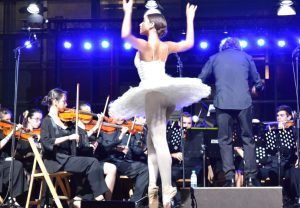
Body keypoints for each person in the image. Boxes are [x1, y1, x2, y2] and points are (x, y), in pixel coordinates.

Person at [109, 1, 210, 207]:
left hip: (153, 93)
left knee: (158, 140)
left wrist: (127, 11)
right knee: (151, 143)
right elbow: (188, 43)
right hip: (166, 94)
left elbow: (125, 36)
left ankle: (166, 189)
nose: (140, 24)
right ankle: (152, 189)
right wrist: (190, 20)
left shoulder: (146, 45)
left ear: (152, 25)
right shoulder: (166, 46)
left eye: (143, 21)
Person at [198, 37, 264, 187]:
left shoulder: (214, 58)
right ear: (238, 46)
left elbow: (201, 79)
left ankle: (229, 178)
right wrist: (257, 89)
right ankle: (251, 178)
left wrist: (206, 92)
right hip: (243, 103)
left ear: (223, 47)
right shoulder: (247, 57)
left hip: (223, 102)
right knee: (248, 139)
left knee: (225, 140)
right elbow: (258, 81)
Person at [40, 88, 108, 204]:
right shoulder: (47, 121)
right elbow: (46, 142)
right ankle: (98, 198)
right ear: (55, 102)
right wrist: (68, 137)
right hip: (55, 161)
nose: (66, 104)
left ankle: (88, 197)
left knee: (92, 161)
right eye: (64, 101)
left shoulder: (66, 121)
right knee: (92, 162)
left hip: (67, 159)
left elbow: (82, 138)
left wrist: (88, 125)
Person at [0, 108, 28, 205]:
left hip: (5, 161)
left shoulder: (7, 131)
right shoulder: (5, 133)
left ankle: (15, 199)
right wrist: (11, 134)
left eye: (10, 119)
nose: (10, 123)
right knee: (16, 165)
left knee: (18, 164)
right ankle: (12, 198)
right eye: (6, 120)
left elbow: (20, 147)